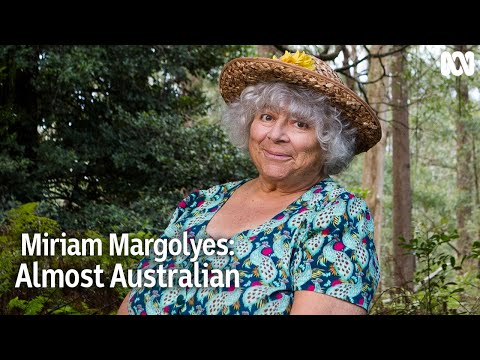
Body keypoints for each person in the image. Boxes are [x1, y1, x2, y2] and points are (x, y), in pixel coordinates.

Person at [117, 50, 382, 315]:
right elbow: (133, 302)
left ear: (328, 142)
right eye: (267, 117)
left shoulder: (337, 214)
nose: (276, 135)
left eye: (300, 124)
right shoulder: (199, 205)